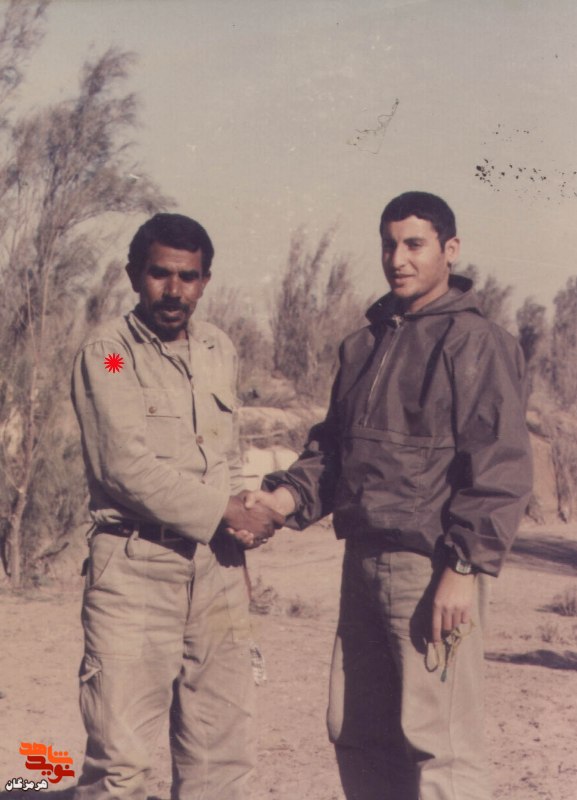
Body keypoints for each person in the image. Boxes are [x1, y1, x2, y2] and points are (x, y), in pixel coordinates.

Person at [242, 192, 533, 799]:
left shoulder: (477, 342)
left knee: (440, 744)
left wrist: (462, 569)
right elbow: (333, 452)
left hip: (431, 569)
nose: (397, 259)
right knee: (358, 730)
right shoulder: (363, 345)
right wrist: (281, 501)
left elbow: (499, 469)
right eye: (389, 245)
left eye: (414, 244)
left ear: (450, 250)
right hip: (362, 563)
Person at [71, 212, 282, 800]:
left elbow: (224, 458)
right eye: (160, 274)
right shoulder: (110, 355)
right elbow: (123, 467)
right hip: (137, 569)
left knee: (222, 763)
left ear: (205, 281)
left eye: (188, 277)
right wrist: (227, 512)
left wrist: (240, 544)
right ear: (133, 276)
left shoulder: (217, 349)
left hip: (216, 574)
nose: (174, 290)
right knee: (120, 770)